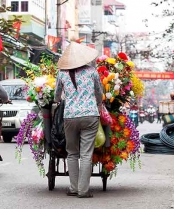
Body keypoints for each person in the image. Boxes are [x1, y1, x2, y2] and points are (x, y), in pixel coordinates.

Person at [54, 42, 103, 198]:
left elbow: (56, 95)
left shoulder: (62, 74)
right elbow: (99, 93)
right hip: (90, 116)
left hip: (69, 116)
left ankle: (74, 188)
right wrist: (98, 103)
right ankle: (83, 191)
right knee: (86, 154)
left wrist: (59, 100)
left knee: (72, 153)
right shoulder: (92, 72)